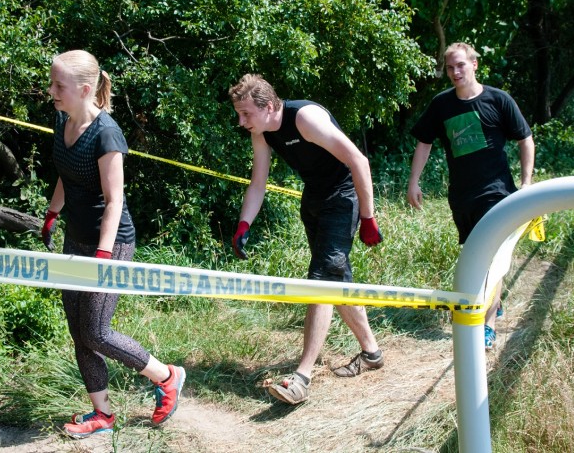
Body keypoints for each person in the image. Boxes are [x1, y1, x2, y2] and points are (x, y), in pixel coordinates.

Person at [41, 50, 185, 437]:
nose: (51, 91)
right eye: (52, 83)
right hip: (77, 238)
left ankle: (167, 376)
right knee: (78, 328)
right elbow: (65, 175)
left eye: (59, 85)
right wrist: (53, 214)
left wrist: (104, 255)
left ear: (85, 89)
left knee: (97, 331)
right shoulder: (62, 120)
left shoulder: (107, 134)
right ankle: (102, 413)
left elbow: (115, 199)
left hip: (111, 243)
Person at [228, 74, 386, 405]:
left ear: (268, 106)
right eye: (239, 115)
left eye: (246, 114)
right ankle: (372, 352)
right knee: (337, 279)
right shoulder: (264, 132)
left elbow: (358, 159)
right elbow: (258, 183)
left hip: (343, 196)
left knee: (322, 280)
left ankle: (302, 376)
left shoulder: (305, 118)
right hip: (313, 199)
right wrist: (244, 224)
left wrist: (368, 217)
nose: (241, 122)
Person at [406, 42, 534, 351]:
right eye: (450, 67)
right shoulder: (441, 105)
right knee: (479, 256)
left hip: (498, 193)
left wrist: (527, 182)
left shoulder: (498, 100)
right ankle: (494, 299)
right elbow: (424, 142)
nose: (455, 72)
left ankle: (487, 325)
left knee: (491, 258)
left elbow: (525, 138)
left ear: (474, 64)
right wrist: (413, 182)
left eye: (461, 65)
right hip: (462, 197)